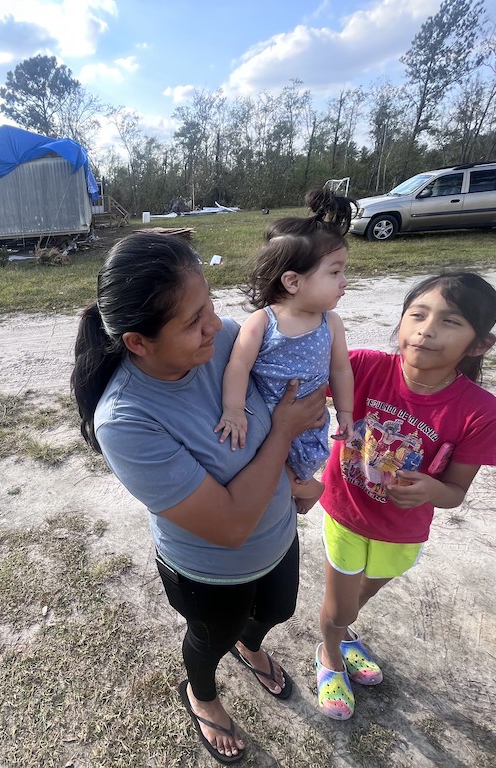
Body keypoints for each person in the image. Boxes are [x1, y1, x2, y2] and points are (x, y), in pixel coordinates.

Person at [72, 232, 328, 764]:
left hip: (279, 533)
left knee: (278, 610)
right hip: (210, 570)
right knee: (210, 638)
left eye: (209, 304)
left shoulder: (227, 341)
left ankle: (251, 644)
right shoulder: (126, 419)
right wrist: (282, 432)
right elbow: (230, 525)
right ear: (138, 342)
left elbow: (309, 364)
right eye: (192, 321)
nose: (216, 324)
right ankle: (202, 694)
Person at [314, 272, 496, 720]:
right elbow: (294, 381)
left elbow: (455, 492)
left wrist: (432, 489)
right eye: (417, 315)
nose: (426, 329)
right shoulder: (360, 367)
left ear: (479, 345)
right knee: (339, 605)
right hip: (345, 512)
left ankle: (341, 633)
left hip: (403, 532)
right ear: (400, 323)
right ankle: (329, 655)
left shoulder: (482, 412)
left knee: (357, 600)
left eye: (450, 321)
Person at [216, 189, 356, 511]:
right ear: (293, 282)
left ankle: (301, 489)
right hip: (265, 418)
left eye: (343, 271)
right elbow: (237, 367)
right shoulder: (262, 321)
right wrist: (234, 410)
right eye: (335, 272)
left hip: (310, 420)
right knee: (265, 468)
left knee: (297, 468)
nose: (344, 281)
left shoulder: (330, 322)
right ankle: (306, 491)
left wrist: (346, 412)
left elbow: (340, 369)